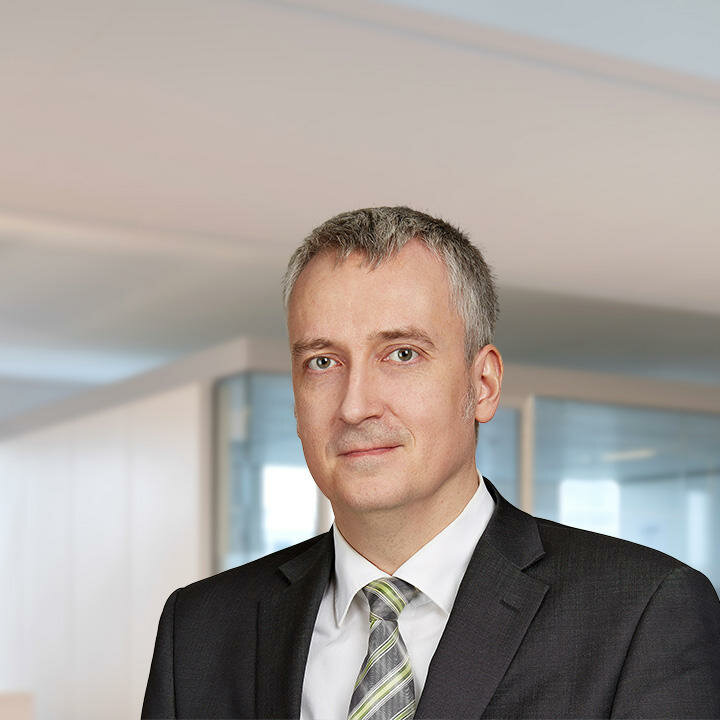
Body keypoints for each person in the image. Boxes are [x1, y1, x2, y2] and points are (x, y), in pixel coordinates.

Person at [142, 206, 720, 720]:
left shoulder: (643, 613)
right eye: (322, 362)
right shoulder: (200, 628)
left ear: (483, 384)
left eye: (402, 354)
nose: (354, 406)